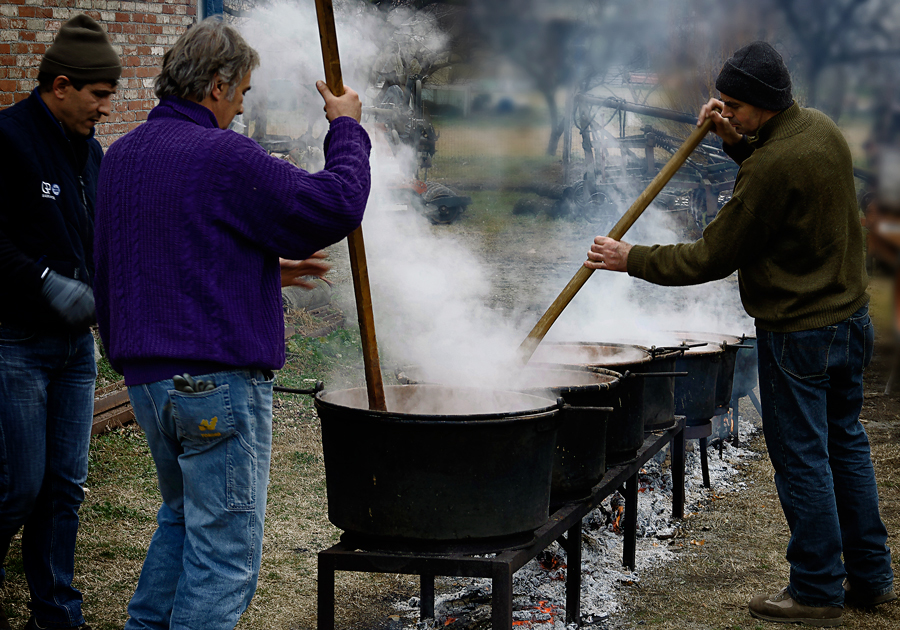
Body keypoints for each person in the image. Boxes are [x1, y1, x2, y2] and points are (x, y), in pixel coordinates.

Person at [586, 41, 894, 627]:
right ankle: (871, 576)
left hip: (800, 332)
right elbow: (769, 176)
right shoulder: (821, 131)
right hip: (849, 321)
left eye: (734, 104)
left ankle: (817, 589)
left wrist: (632, 258)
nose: (724, 110)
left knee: (803, 458)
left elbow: (712, 255)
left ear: (763, 104)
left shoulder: (774, 164)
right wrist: (731, 138)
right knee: (845, 445)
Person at [92, 17, 370, 630]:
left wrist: (259, 272)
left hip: (150, 382)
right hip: (214, 382)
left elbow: (144, 259)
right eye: (242, 94)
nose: (241, 109)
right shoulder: (224, 154)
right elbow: (334, 205)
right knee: (225, 560)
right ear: (217, 86)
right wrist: (346, 127)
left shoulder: (122, 156)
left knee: (183, 521)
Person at [0, 14, 120, 630]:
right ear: (64, 84)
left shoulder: (91, 152)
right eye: (100, 96)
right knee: (17, 488)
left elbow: (100, 244)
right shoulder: (8, 139)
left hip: (74, 351)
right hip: (14, 344)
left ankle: (55, 615)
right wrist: (46, 283)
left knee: (64, 490)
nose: (105, 109)